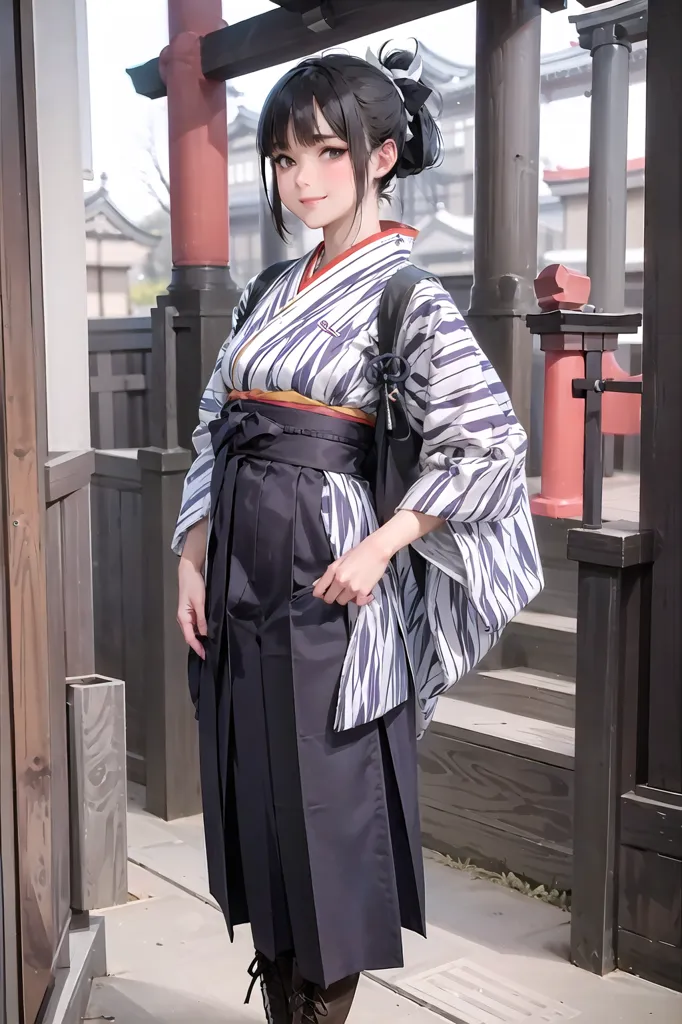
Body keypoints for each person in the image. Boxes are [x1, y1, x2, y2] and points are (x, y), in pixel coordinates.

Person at [174, 44, 542, 1024]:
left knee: (329, 810)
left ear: (381, 155)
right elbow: (218, 417)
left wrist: (384, 544)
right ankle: (280, 997)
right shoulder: (264, 291)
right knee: (258, 786)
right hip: (242, 565)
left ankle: (318, 1010)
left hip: (331, 572)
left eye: (326, 153)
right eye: (286, 160)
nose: (301, 180)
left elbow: (490, 442)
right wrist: (190, 550)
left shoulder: (404, 296)